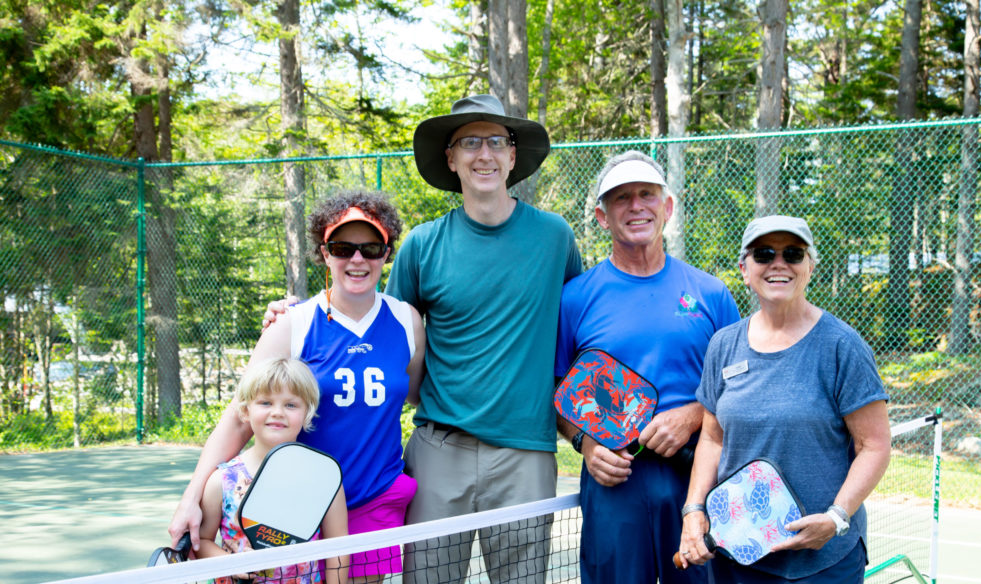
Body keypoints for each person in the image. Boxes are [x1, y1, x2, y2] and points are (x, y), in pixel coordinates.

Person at [172, 190, 426, 584]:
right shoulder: (294, 323)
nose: (357, 259)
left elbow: (418, 392)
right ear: (325, 254)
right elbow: (241, 415)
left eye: (370, 248)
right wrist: (191, 496)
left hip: (373, 499)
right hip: (291, 505)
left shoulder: (407, 321)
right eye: (343, 248)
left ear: (386, 254)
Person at [388, 94, 583, 584]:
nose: (484, 154)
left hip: (525, 453)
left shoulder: (555, 237)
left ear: (513, 156)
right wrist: (299, 314)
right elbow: (382, 328)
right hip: (438, 449)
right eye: (469, 142)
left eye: (497, 141)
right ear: (450, 158)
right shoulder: (421, 244)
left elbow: (581, 324)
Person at [554, 151, 740, 584]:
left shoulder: (710, 294)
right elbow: (557, 391)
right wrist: (585, 444)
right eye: (621, 198)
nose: (635, 206)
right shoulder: (575, 298)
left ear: (668, 207)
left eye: (646, 194)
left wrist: (694, 415)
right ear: (602, 216)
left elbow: (744, 386)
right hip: (614, 484)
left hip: (697, 481)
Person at [676, 215, 891, 582]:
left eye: (792, 253)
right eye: (764, 254)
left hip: (824, 563)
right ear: (745, 269)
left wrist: (837, 518)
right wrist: (693, 510)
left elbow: (874, 445)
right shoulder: (724, 345)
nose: (779, 263)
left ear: (809, 267)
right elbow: (712, 439)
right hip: (740, 555)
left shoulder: (842, 346)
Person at [196, 358, 349, 584]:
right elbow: (201, 541)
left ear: (307, 413)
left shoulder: (324, 482)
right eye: (266, 403)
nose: (277, 412)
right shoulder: (222, 480)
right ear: (246, 411)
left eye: (290, 405)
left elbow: (338, 547)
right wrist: (230, 564)